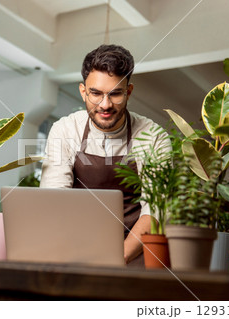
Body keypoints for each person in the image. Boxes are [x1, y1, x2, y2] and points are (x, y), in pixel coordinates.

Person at [40, 44, 169, 266]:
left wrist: (118, 258)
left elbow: (155, 212)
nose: (105, 105)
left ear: (128, 92)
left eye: (116, 94)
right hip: (72, 247)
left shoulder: (152, 136)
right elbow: (54, 200)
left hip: (134, 249)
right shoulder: (65, 130)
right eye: (96, 94)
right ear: (83, 91)